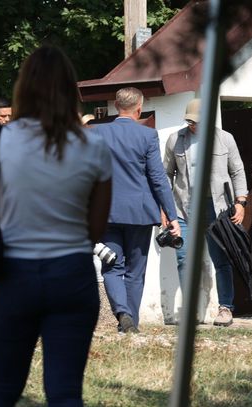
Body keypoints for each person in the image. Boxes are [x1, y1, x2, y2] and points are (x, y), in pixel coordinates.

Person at [0, 45, 112, 406]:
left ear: (23, 88)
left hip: (13, 273)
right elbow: (96, 227)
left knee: (0, 388)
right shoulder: (92, 145)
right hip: (72, 272)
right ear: (70, 89)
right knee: (64, 391)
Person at [93, 87, 180, 334]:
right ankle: (130, 324)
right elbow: (158, 178)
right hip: (139, 212)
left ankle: (122, 313)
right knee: (135, 271)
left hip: (106, 212)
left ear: (115, 105)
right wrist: (171, 215)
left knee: (112, 266)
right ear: (139, 109)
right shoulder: (147, 135)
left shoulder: (96, 132)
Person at [164, 98, 248, 327]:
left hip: (216, 207)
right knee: (184, 258)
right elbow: (166, 174)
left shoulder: (225, 139)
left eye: (197, 122)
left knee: (222, 258)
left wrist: (241, 202)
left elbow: (238, 171)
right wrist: (165, 208)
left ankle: (225, 308)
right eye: (190, 122)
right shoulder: (175, 139)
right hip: (184, 206)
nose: (193, 126)